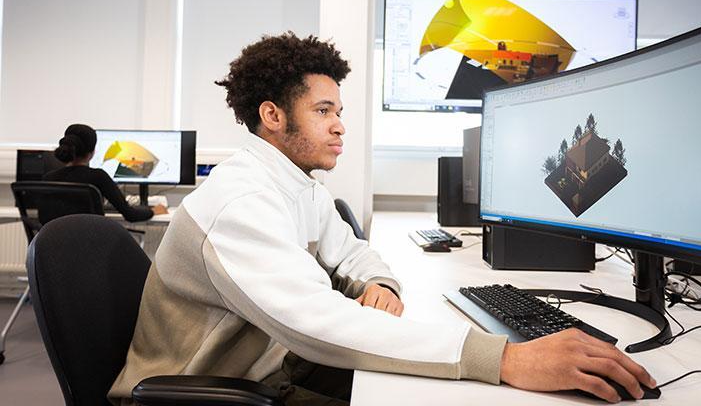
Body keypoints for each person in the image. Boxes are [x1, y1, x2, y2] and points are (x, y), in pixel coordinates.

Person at [109, 33, 655, 406]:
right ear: (272, 116)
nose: (340, 126)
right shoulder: (240, 203)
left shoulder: (296, 183)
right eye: (323, 111)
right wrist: (504, 358)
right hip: (206, 389)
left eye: (339, 112)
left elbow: (351, 250)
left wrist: (378, 280)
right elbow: (315, 323)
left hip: (267, 367)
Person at [44, 124, 168, 222]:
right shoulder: (98, 177)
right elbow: (130, 215)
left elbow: (44, 219)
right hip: (90, 246)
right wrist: (153, 211)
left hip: (53, 248)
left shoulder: (48, 179)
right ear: (91, 152)